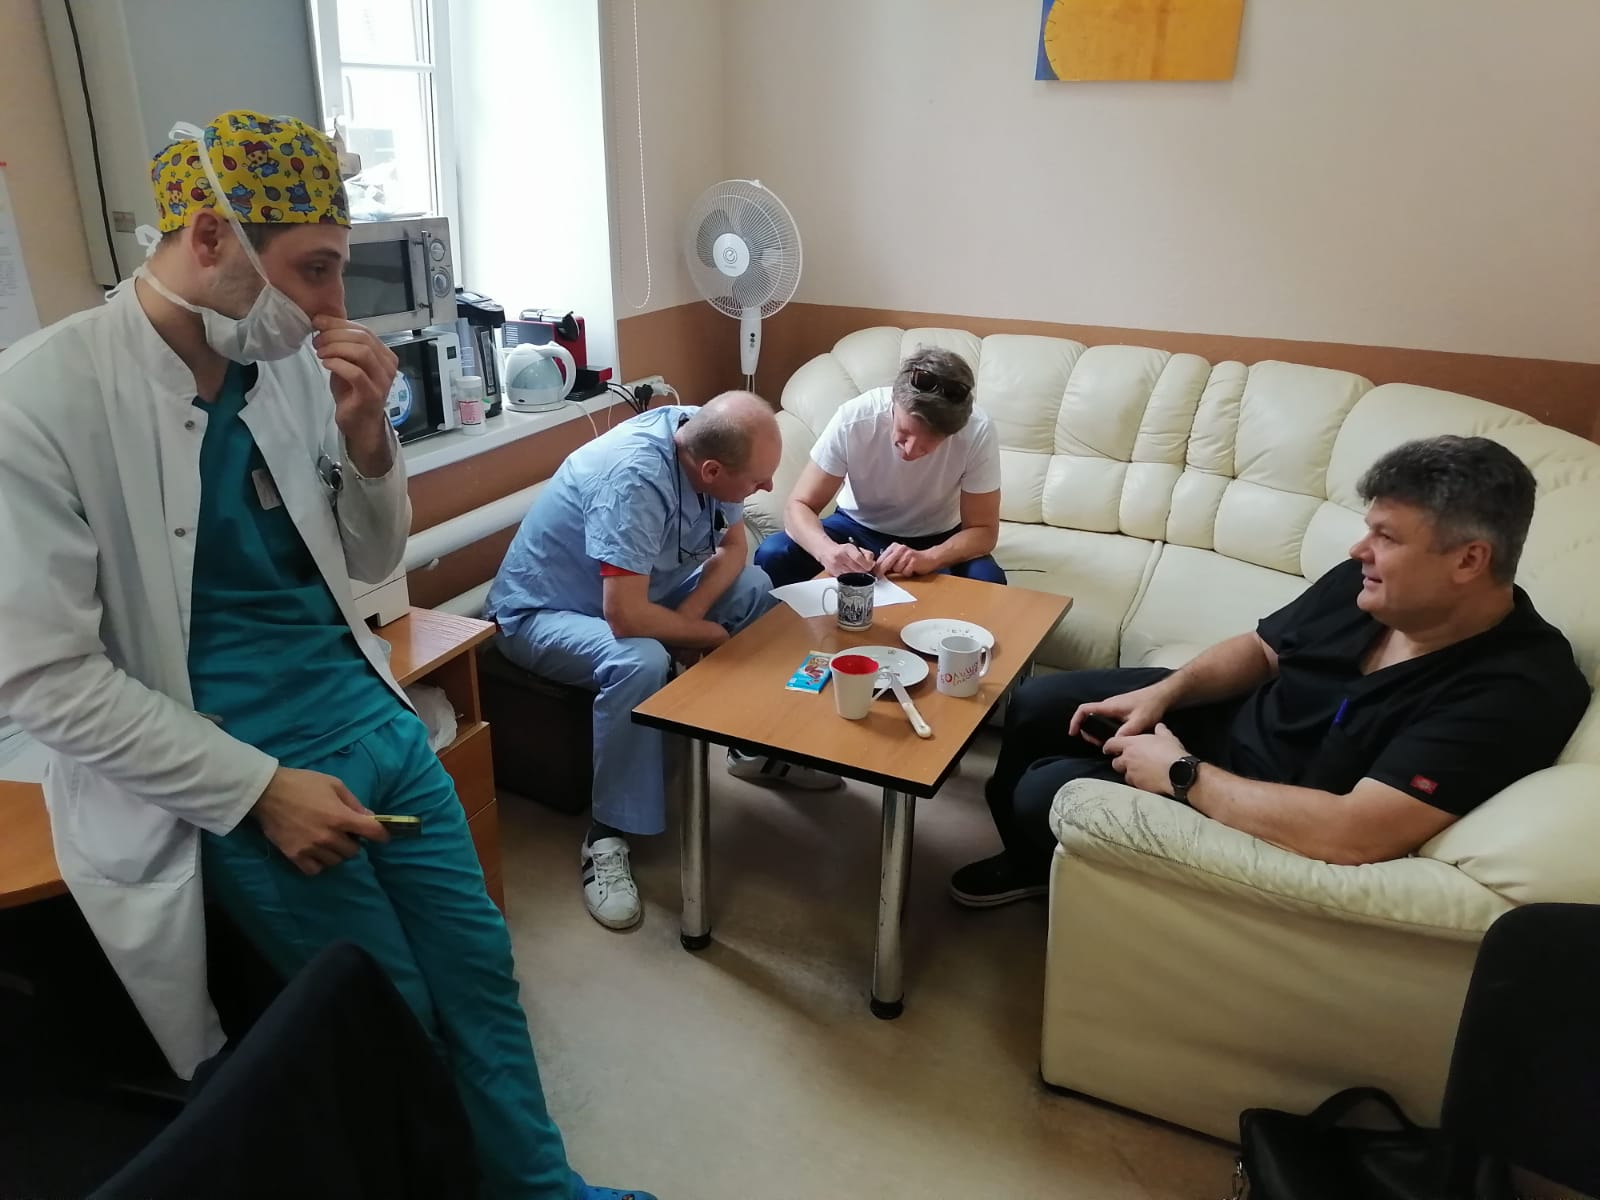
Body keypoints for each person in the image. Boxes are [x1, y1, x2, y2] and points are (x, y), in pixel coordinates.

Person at [0, 110, 650, 1200]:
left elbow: (368, 559)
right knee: (389, 1018)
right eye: (314, 270)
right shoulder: (40, 402)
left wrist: (368, 440)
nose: (334, 305)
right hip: (251, 770)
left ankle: (543, 1191)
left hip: (371, 720)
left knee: (480, 974)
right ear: (210, 236)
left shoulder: (283, 363)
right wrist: (261, 791)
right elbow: (45, 682)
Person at [951, 435, 1590, 906]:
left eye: (1388, 538)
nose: (1359, 550)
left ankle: (1064, 861)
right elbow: (1262, 650)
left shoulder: (1514, 688)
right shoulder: (1367, 587)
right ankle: (1034, 866)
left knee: (1046, 789)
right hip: (1228, 730)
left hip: (1275, 805)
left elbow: (1356, 833)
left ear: (1469, 560)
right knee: (1043, 703)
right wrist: (1163, 693)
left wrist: (1180, 773)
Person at [487, 395, 840, 931]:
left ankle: (754, 748)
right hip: (544, 611)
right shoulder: (632, 479)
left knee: (753, 587)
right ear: (712, 470)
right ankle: (605, 836)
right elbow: (625, 618)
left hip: (638, 593)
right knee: (640, 660)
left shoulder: (707, 433)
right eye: (759, 480)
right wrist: (707, 635)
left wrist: (690, 622)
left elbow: (734, 550)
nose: (770, 487)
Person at [753, 347, 1006, 585]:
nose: (910, 451)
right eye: (904, 433)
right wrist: (827, 552)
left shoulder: (977, 430)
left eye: (927, 445)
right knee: (774, 553)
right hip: (856, 527)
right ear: (894, 401)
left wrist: (932, 557)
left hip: (939, 537)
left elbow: (984, 531)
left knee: (989, 580)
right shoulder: (855, 418)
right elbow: (799, 505)